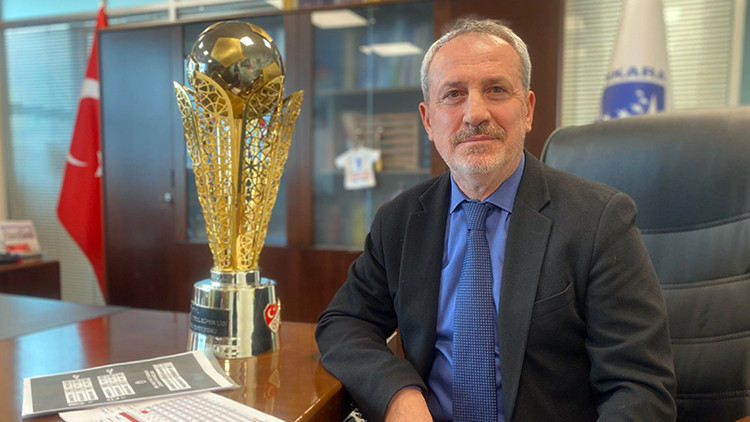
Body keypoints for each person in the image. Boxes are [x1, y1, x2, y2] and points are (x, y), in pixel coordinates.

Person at [316, 18, 676, 422]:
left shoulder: (598, 221)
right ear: (428, 120)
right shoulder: (399, 221)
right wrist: (397, 393)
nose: (475, 113)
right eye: (453, 94)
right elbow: (344, 322)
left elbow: (639, 389)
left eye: (496, 90)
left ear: (528, 110)